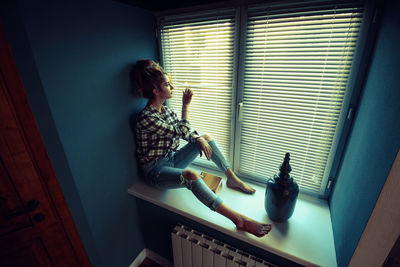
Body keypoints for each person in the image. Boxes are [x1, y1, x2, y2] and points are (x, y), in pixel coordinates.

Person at [133, 59, 272, 237]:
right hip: (156, 172)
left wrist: (198, 138)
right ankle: (239, 220)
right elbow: (181, 132)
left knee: (206, 137)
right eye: (167, 84)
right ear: (155, 90)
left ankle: (231, 177)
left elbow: (186, 132)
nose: (172, 87)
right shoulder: (146, 118)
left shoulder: (165, 111)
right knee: (191, 176)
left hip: (171, 160)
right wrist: (185, 106)